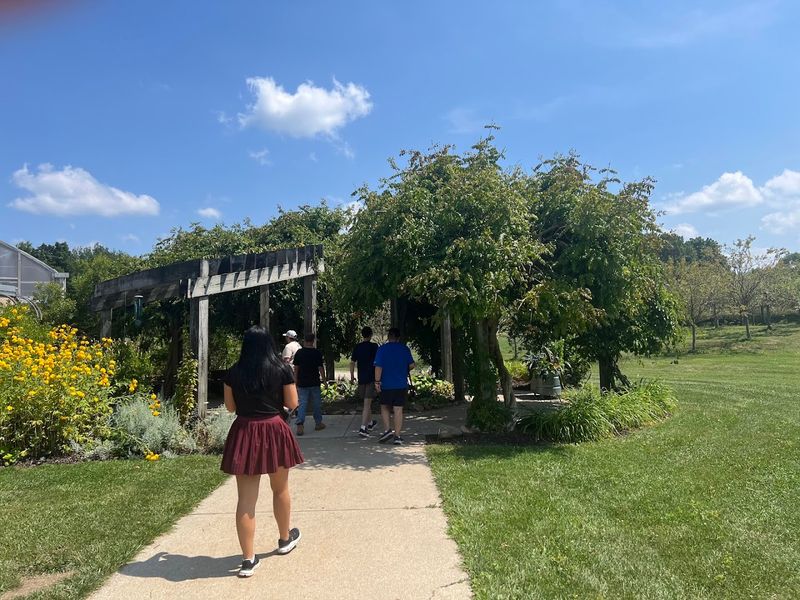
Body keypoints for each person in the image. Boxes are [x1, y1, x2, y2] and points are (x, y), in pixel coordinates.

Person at [221, 325, 304, 578]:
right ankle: (284, 538)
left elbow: (230, 407)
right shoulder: (281, 369)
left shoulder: (233, 372)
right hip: (274, 430)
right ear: (269, 344)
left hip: (245, 431)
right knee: (280, 489)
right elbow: (292, 403)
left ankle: (248, 560)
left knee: (245, 500)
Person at [373, 327, 415, 445]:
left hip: (386, 384)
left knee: (384, 406)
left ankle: (387, 430)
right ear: (398, 337)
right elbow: (412, 365)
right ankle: (397, 436)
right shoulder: (404, 349)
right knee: (398, 409)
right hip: (401, 384)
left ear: (388, 336)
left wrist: (377, 382)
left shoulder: (382, 349)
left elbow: (378, 367)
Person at [292, 332, 326, 436]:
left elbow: (296, 368)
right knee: (316, 403)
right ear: (313, 341)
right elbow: (320, 368)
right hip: (314, 381)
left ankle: (300, 424)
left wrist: (295, 380)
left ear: (304, 340)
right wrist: (324, 380)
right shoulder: (317, 353)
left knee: (302, 403)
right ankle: (318, 423)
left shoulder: (299, 353)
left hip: (302, 382)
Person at [350, 326, 379, 437]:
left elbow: (352, 362)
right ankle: (363, 427)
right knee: (367, 403)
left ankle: (370, 423)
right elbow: (378, 362)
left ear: (362, 335)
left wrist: (352, 376)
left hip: (361, 378)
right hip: (371, 377)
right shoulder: (374, 347)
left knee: (367, 402)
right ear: (371, 335)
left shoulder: (358, 347)